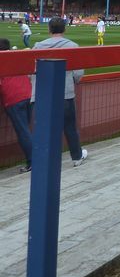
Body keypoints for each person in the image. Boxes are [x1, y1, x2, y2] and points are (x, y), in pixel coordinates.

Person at [31, 17, 88, 167]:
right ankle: (76, 157)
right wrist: (72, 81)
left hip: (42, 94)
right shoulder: (72, 46)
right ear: (64, 29)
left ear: (49, 29)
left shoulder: (38, 46)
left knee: (42, 128)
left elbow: (32, 71)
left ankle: (41, 160)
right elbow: (78, 73)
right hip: (65, 93)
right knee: (69, 127)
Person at [0, 38, 33, 172]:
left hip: (13, 99)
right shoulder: (16, 56)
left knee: (23, 132)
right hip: (27, 94)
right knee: (26, 130)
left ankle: (33, 162)